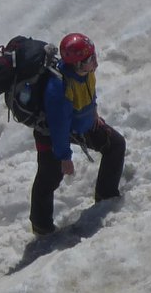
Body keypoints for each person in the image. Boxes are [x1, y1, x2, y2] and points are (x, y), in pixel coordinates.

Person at [30, 31, 126, 235]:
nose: (95, 61)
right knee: (50, 177)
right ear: (77, 64)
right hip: (51, 133)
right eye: (90, 59)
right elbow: (58, 126)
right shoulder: (58, 87)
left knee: (115, 144)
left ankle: (106, 196)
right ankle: (41, 225)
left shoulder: (86, 72)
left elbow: (89, 94)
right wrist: (64, 157)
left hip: (80, 123)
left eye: (93, 55)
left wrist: (93, 113)